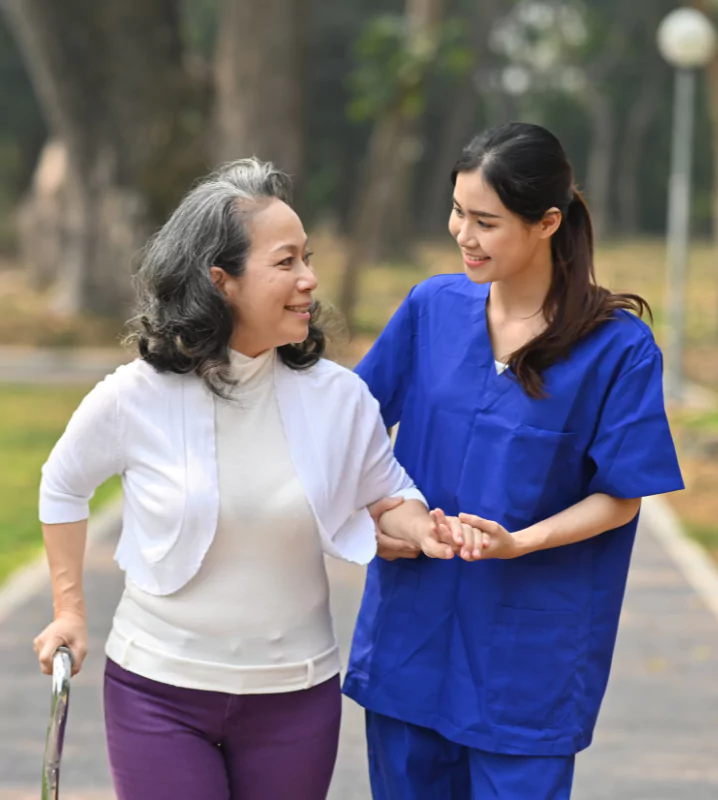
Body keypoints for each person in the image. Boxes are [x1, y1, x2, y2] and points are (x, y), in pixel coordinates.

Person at [32, 158, 452, 800]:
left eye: (307, 258)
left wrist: (427, 528)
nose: (310, 279)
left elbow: (387, 494)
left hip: (296, 698)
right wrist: (69, 610)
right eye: (286, 263)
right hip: (157, 694)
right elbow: (63, 483)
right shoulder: (136, 396)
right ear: (220, 281)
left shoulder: (340, 397)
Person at [343, 122, 685, 799]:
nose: (461, 234)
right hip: (414, 636)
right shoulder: (431, 308)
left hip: (529, 659)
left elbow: (621, 494)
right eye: (457, 212)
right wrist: (378, 517)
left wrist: (518, 542)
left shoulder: (619, 348)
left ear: (547, 222)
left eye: (485, 221)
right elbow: (349, 433)